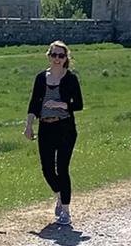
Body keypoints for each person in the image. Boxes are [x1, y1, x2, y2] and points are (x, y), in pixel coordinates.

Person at [24, 40, 84, 226]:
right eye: (54, 55)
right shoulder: (41, 77)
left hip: (65, 127)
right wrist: (28, 126)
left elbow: (79, 104)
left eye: (61, 55)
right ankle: (59, 194)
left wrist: (60, 104)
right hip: (45, 127)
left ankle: (65, 210)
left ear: (66, 58)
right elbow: (34, 102)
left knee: (62, 168)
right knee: (47, 169)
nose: (57, 59)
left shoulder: (71, 78)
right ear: (48, 56)